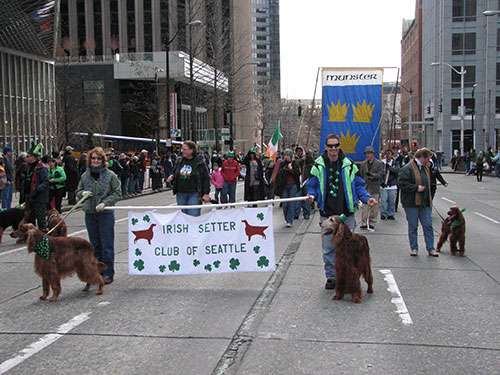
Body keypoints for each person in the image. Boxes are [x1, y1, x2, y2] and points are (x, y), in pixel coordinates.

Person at [305, 134, 377, 289]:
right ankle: (331, 276)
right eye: (330, 146)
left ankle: (349, 276)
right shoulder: (318, 165)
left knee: (349, 248)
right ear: (325, 147)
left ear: (339, 146)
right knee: (328, 248)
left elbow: (359, 186)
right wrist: (311, 195)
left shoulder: (349, 164)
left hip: (346, 213)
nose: (333, 149)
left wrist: (366, 198)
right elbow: (312, 185)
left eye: (336, 145)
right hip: (328, 212)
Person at [76, 147, 122, 285]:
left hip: (105, 214)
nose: (96, 161)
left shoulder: (110, 175)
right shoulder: (85, 176)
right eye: (93, 158)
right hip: (90, 213)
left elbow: (117, 192)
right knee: (94, 245)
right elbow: (78, 190)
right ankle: (96, 272)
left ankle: (108, 272)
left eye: (99, 158)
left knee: (107, 244)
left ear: (103, 160)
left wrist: (105, 203)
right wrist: (82, 194)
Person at [398, 147, 439, 257]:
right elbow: (402, 183)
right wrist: (416, 188)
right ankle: (414, 248)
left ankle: (431, 248)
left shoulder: (425, 169)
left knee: (428, 225)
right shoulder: (407, 168)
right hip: (411, 203)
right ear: (421, 157)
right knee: (413, 226)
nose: (428, 161)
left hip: (425, 202)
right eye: (427, 159)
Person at [166, 140, 211, 216]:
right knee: (183, 216)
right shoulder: (180, 160)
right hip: (181, 193)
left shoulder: (199, 162)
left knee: (193, 214)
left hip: (194, 193)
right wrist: (172, 176)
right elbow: (174, 171)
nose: (182, 151)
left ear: (191, 150)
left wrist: (206, 193)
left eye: (185, 149)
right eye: (182, 149)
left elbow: (206, 178)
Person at [25, 141, 50, 230]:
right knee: (30, 219)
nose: (27, 158)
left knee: (41, 220)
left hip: (40, 197)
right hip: (30, 197)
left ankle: (43, 239)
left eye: (29, 156)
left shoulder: (42, 168)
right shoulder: (29, 167)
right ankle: (32, 238)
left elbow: (45, 182)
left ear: (34, 157)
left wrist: (37, 190)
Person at [358, 146, 384, 229]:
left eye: (369, 153)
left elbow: (381, 174)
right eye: (366, 154)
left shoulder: (379, 164)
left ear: (373, 154)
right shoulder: (363, 164)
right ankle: (363, 222)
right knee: (365, 206)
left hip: (374, 187)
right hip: (366, 187)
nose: (367, 155)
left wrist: (372, 175)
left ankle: (372, 222)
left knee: (374, 206)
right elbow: (361, 175)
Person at [275, 149, 300, 227]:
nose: (286, 157)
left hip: (292, 185)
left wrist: (291, 169)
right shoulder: (282, 164)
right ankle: (287, 218)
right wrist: (286, 169)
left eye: (287, 155)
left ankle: (290, 220)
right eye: (285, 155)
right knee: (285, 204)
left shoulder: (295, 163)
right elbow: (279, 174)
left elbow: (297, 174)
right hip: (284, 186)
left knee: (291, 204)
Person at [294, 146, 314, 220]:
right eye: (297, 151)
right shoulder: (295, 159)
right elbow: (295, 164)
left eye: (300, 151)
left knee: (306, 198)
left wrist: (308, 154)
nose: (299, 153)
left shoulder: (307, 159)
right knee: (297, 199)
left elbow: (312, 161)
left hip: (306, 180)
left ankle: (306, 213)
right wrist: (302, 160)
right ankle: (296, 213)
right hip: (298, 181)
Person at [380, 149, 399, 220]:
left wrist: (389, 168)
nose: (388, 155)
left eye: (389, 154)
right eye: (386, 153)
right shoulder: (381, 163)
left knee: (392, 201)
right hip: (383, 186)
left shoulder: (395, 163)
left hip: (392, 186)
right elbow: (379, 173)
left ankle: (390, 214)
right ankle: (383, 213)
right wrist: (381, 182)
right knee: (383, 201)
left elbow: (397, 171)